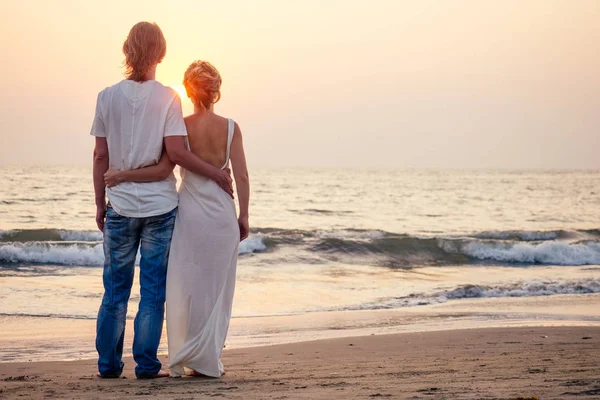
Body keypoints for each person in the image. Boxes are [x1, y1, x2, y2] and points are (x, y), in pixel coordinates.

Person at [91, 22, 233, 380]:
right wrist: (217, 173)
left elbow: (99, 156)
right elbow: (173, 154)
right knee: (153, 292)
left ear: (127, 51)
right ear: (161, 54)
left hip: (119, 206)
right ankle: (147, 366)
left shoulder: (106, 96)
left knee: (115, 290)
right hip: (160, 208)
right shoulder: (169, 97)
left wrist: (99, 202)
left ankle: (108, 366)